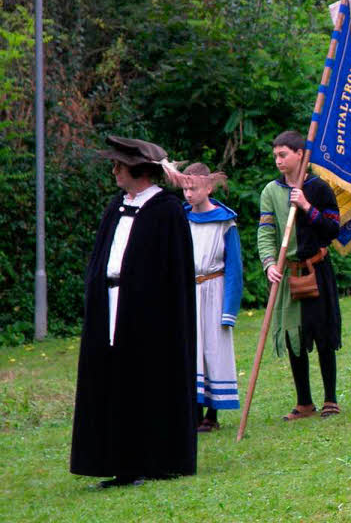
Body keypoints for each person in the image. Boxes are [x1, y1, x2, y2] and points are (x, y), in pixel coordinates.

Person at [71, 136, 197, 488]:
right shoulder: (117, 206)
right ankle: (117, 461)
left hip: (147, 315)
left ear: (137, 170)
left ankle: (149, 460)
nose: (114, 171)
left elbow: (173, 273)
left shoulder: (166, 210)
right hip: (110, 305)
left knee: (144, 381)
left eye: (119, 166)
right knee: (112, 381)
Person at [257, 130, 342, 420]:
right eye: (276, 156)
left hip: (317, 269)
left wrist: (306, 206)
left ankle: (330, 399)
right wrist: (270, 263)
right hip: (288, 273)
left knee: (322, 334)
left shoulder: (319, 188)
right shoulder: (271, 191)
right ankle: (304, 401)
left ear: (300, 155)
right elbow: (266, 232)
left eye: (283, 155)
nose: (279, 161)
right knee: (295, 336)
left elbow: (333, 228)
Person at [183, 163, 242, 432]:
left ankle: (212, 414)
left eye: (193, 188)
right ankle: (192, 411)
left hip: (215, 289)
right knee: (191, 350)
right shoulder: (181, 220)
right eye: (185, 188)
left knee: (214, 349)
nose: (188, 193)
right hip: (189, 291)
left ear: (208, 188)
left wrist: (228, 309)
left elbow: (234, 268)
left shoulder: (224, 221)